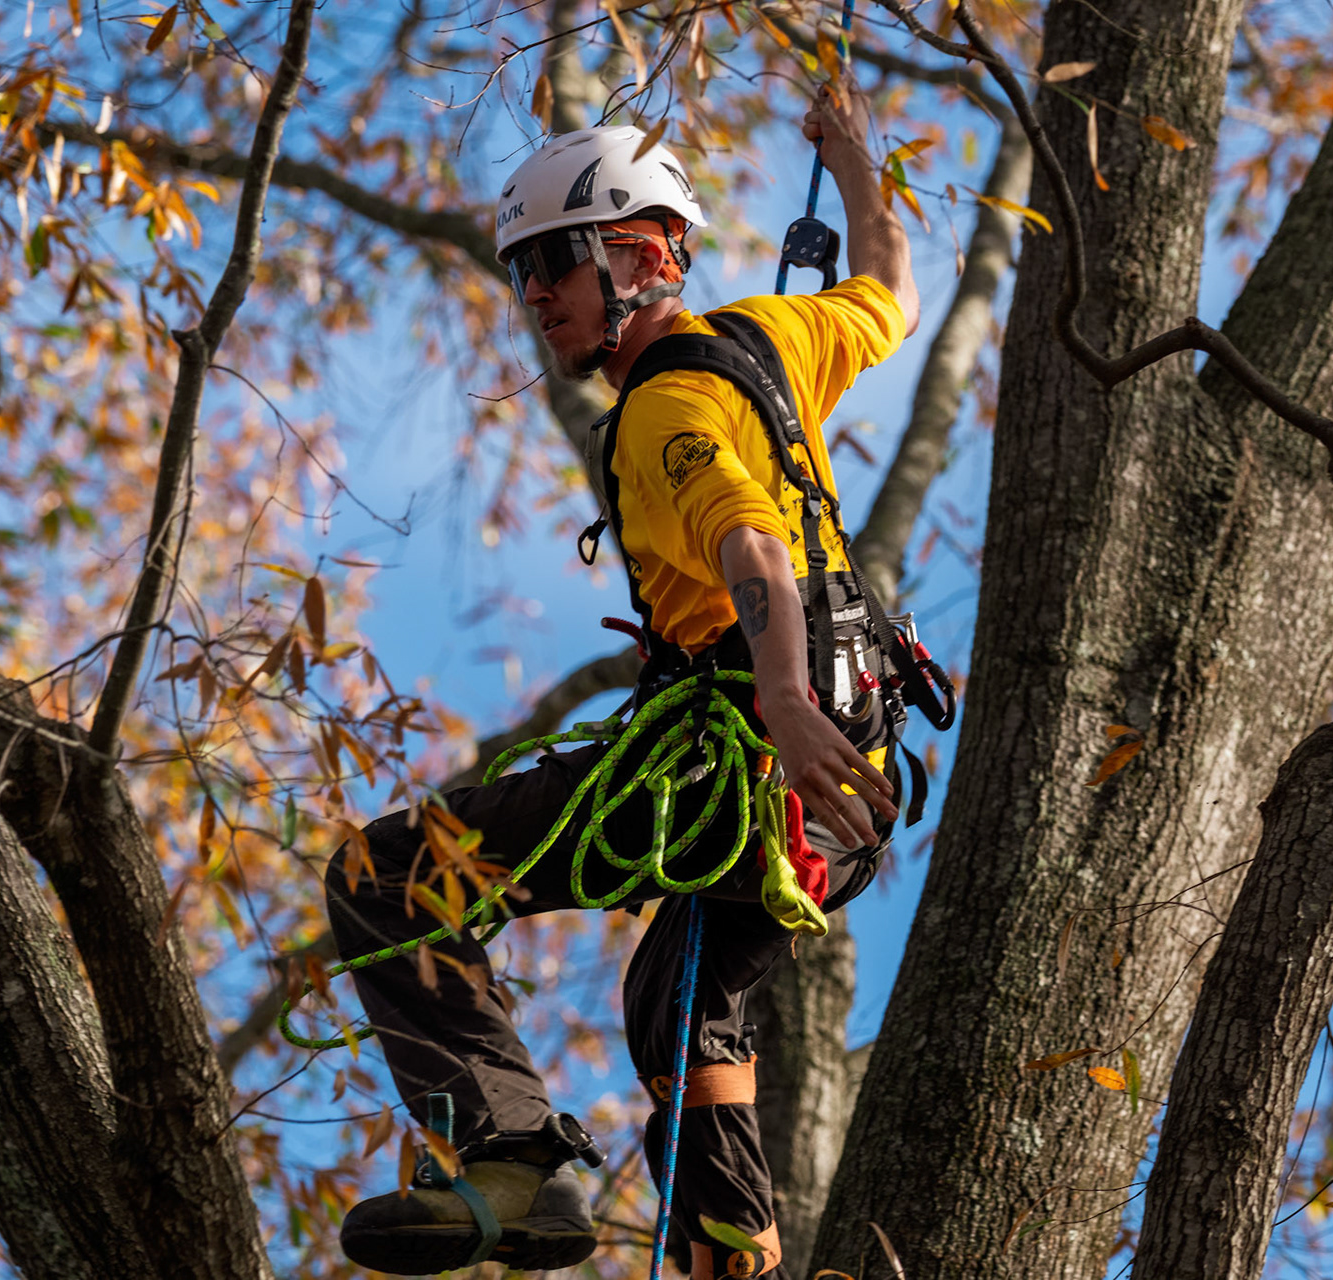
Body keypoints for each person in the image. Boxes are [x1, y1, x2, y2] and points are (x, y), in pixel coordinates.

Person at [329, 80, 919, 1280]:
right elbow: (890, 287)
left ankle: (506, 1157)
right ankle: (733, 1248)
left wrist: (787, 705)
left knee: (388, 876)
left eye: (556, 260)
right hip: (841, 773)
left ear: (644, 254)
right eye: (522, 270)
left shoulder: (668, 409)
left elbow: (751, 544)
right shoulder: (771, 340)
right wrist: (856, 159)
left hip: (750, 758)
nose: (534, 293)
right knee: (672, 998)